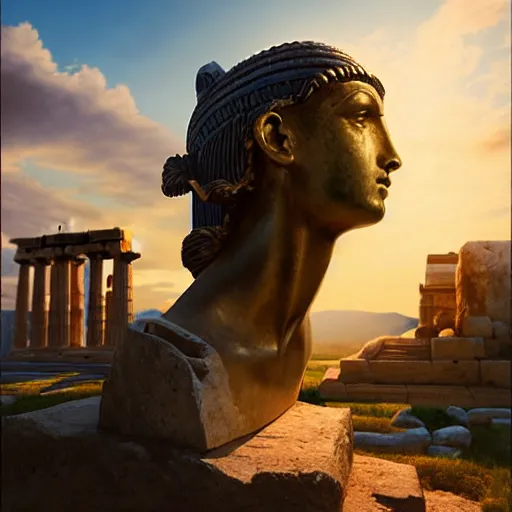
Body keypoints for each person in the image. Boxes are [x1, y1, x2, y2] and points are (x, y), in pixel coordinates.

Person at [160, 41, 402, 438]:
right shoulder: (178, 358)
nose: (392, 155)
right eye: (361, 117)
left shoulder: (295, 341)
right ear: (278, 138)